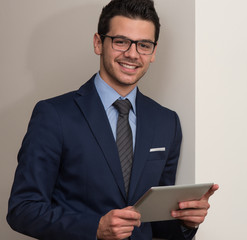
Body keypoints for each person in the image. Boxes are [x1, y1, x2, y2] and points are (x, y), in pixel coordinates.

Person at [7, 0, 219, 239]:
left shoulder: (166, 122)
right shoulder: (54, 114)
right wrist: (95, 228)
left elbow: (154, 223)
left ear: (153, 53)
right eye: (121, 42)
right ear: (99, 43)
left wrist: (186, 221)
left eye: (144, 45)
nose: (132, 54)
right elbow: (22, 209)